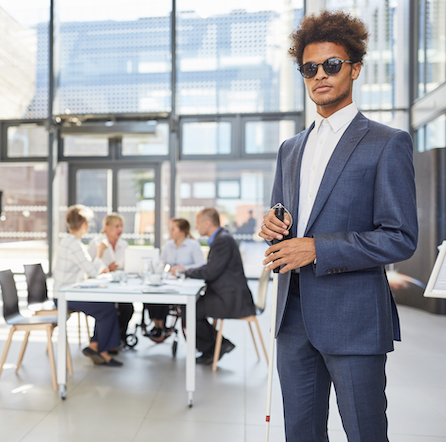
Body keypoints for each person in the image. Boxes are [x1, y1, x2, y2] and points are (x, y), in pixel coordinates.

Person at [258, 11, 418, 442]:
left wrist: (317, 249)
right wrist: (273, 225)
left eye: (332, 64)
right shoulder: (290, 149)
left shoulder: (388, 143)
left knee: (365, 434)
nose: (320, 75)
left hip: (354, 321)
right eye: (310, 68)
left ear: (355, 68)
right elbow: (285, 216)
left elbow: (400, 236)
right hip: (292, 319)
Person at [176, 208, 256, 365]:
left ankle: (214, 347)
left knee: (190, 309)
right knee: (191, 307)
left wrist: (185, 272)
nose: (197, 227)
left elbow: (210, 272)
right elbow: (212, 269)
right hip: (226, 294)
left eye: (198, 223)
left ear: (207, 223)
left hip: (231, 298)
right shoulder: (221, 238)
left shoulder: (222, 240)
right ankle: (215, 346)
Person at [54, 205, 123, 367]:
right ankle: (101, 351)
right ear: (84, 224)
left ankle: (95, 346)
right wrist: (100, 252)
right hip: (65, 296)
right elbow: (92, 271)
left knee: (106, 307)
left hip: (67, 292)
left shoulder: (68, 241)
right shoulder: (75, 245)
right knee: (107, 310)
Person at [146, 218, 204, 339]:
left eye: (173, 229)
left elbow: (201, 265)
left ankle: (161, 326)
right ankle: (157, 324)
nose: (170, 231)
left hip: (185, 282)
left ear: (182, 231)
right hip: (169, 280)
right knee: (154, 292)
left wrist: (184, 268)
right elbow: (161, 263)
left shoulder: (193, 245)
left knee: (165, 296)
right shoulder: (168, 245)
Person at [87, 213, 134, 344]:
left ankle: (118, 338)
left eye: (121, 226)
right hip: (101, 287)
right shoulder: (96, 243)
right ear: (106, 227)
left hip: (119, 286)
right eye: (116, 226)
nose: (120, 230)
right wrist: (108, 267)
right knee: (109, 308)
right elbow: (90, 269)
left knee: (127, 308)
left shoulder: (123, 245)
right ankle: (108, 342)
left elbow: (127, 266)